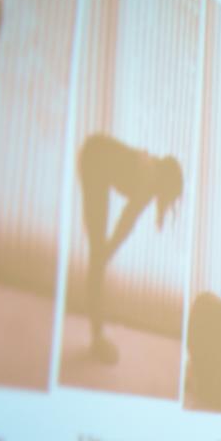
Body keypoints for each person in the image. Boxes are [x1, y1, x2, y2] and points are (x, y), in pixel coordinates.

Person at [77, 134, 183, 364]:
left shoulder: (152, 172)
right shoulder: (150, 177)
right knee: (97, 255)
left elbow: (127, 222)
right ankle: (97, 338)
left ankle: (96, 332)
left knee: (98, 257)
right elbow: (127, 221)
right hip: (94, 158)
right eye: (172, 194)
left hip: (95, 154)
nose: (169, 200)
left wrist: (108, 251)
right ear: (167, 181)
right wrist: (106, 252)